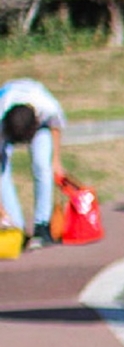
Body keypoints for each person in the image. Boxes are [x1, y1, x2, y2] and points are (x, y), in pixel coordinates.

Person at [1, 78, 69, 249]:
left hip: (38, 122)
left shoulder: (47, 107)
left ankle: (42, 226)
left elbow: (55, 129)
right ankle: (17, 227)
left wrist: (56, 161)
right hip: (7, 120)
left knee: (42, 166)